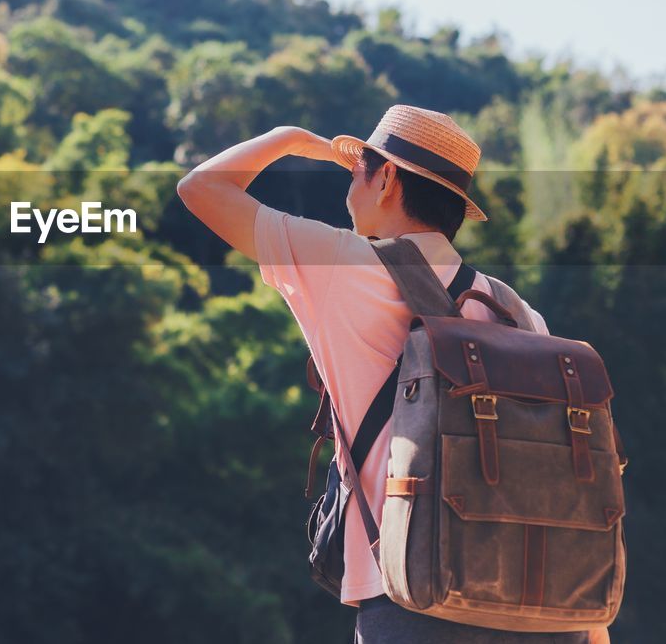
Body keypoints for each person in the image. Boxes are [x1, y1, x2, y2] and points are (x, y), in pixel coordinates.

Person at [176, 105, 610, 644]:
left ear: (386, 181)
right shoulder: (515, 310)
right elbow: (567, 465)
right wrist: (592, 628)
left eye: (358, 168)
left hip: (412, 598)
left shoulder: (345, 265)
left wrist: (285, 138)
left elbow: (201, 189)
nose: (349, 184)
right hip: (543, 605)